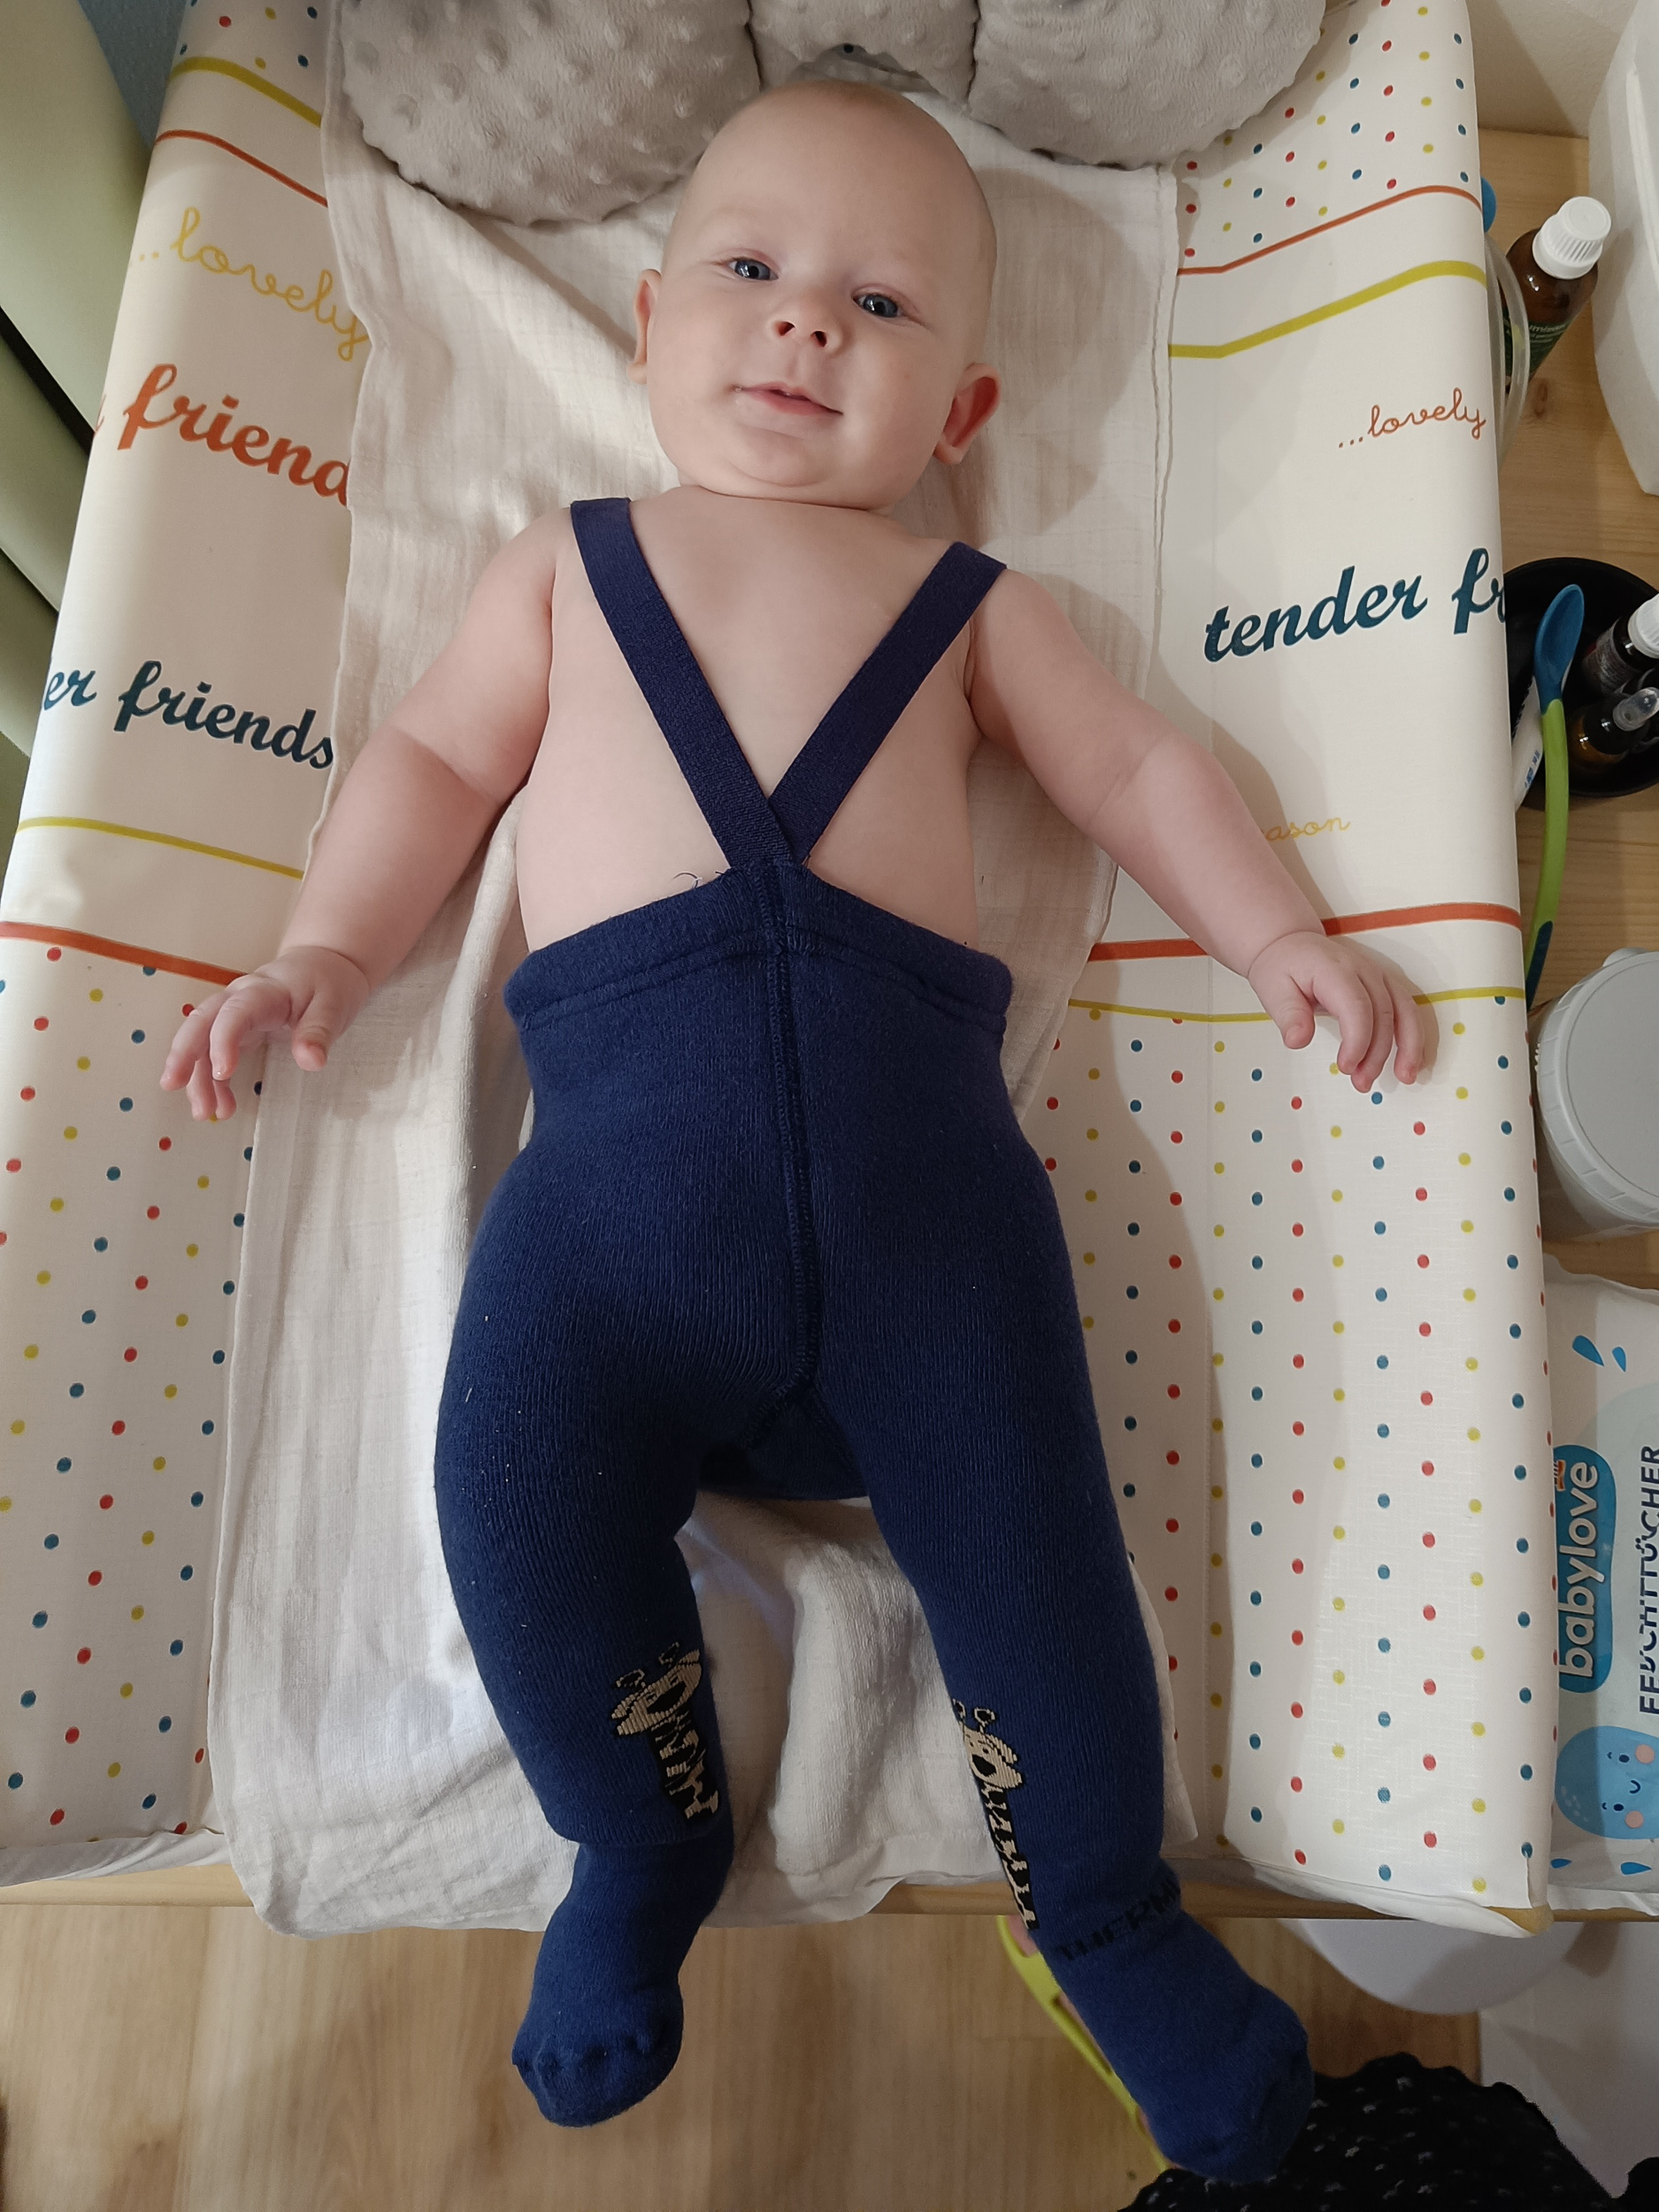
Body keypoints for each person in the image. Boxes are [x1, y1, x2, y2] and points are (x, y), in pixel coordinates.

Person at [160, 81, 1424, 2180]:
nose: (804, 321)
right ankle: (636, 1833)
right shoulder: (565, 568)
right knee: (508, 1493)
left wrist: (1275, 929)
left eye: (879, 302)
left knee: (1041, 1565)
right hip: (614, 1222)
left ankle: (1105, 1913)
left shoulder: (974, 604)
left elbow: (1134, 771)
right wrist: (322, 950)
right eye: (747, 270)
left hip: (932, 1222)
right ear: (648, 322)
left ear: (961, 406)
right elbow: (430, 762)